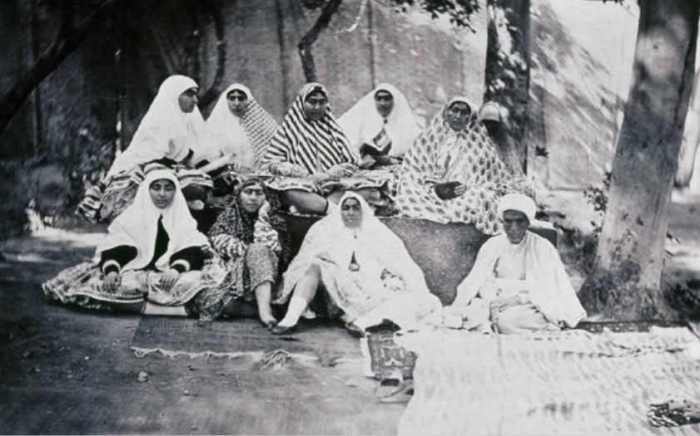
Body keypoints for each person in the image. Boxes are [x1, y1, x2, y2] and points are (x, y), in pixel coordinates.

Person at [43, 167, 224, 314]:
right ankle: (162, 310)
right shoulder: (131, 217)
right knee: (112, 287)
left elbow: (192, 248)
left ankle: (170, 309)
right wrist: (112, 271)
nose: (162, 194)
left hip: (169, 273)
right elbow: (116, 248)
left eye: (168, 188)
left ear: (175, 192)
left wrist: (176, 269)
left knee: (193, 285)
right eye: (156, 188)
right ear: (146, 190)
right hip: (135, 272)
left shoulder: (181, 217)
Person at [270, 191, 441, 335]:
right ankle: (290, 319)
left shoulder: (378, 232)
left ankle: (364, 323)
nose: (350, 212)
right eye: (346, 208)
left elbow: (403, 264)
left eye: (355, 208)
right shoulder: (325, 229)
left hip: (368, 290)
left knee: (419, 300)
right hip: (335, 289)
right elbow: (304, 259)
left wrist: (399, 282)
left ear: (363, 211)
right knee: (312, 265)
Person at [443, 193, 586, 334]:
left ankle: (535, 325)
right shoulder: (492, 245)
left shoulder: (542, 247)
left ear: (528, 222)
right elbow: (474, 280)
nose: (513, 227)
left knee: (507, 322)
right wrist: (458, 307)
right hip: (496, 302)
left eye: (519, 221)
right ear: (502, 221)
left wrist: (517, 299)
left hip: (530, 304)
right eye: (508, 221)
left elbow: (547, 288)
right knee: (471, 315)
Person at [78, 74, 209, 223]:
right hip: (145, 169)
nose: (195, 100)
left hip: (171, 170)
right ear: (173, 95)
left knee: (201, 191)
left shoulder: (188, 121)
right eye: (189, 94)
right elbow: (149, 156)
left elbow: (196, 152)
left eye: (195, 95)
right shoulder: (160, 120)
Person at [394, 96, 532, 235]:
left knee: (482, 198)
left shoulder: (480, 144)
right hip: (429, 191)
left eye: (464, 113)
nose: (458, 116)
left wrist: (466, 187)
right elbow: (414, 168)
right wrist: (435, 188)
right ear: (446, 112)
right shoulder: (428, 138)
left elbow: (492, 178)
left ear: (470, 117)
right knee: (408, 190)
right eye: (455, 110)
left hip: (464, 194)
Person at [186, 177, 281, 325]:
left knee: (258, 250)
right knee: (217, 303)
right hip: (235, 279)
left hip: (269, 279)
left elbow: (271, 248)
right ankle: (258, 309)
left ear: (266, 198)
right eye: (248, 192)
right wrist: (250, 252)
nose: (253, 198)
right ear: (239, 195)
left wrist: (263, 216)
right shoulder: (227, 219)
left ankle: (265, 312)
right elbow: (223, 246)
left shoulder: (275, 220)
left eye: (259, 193)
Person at [261, 82, 361, 215]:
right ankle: (332, 210)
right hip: (302, 185)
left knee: (367, 186)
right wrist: (300, 173)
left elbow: (352, 161)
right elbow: (271, 163)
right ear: (302, 103)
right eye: (312, 102)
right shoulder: (288, 130)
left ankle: (320, 207)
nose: (317, 107)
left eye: (321, 102)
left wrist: (330, 174)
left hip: (333, 184)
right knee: (287, 191)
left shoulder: (332, 129)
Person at [199, 83, 279, 174]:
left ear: (248, 100)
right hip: (226, 174)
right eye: (232, 98)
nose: (236, 103)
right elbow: (210, 156)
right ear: (226, 100)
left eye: (241, 98)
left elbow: (274, 150)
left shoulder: (261, 123)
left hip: (259, 174)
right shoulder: (216, 125)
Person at [339, 83, 422, 168]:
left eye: (387, 99)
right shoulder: (363, 121)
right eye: (378, 99)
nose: (382, 103)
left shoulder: (407, 125)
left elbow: (415, 153)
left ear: (395, 100)